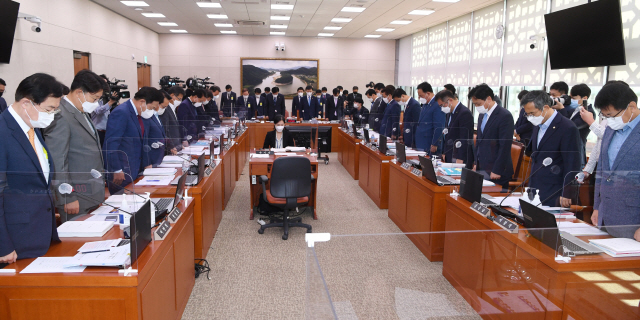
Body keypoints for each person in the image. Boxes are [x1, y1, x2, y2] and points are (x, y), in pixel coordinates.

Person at [0, 73, 63, 263]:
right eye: (49, 109)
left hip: (40, 234)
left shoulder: (32, 127)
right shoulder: (3, 132)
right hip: (14, 243)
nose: (51, 115)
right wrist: (3, 245)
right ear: (26, 103)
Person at [43, 70, 105, 222]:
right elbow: (58, 159)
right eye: (94, 98)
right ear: (79, 93)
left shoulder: (81, 110)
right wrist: (67, 197)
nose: (96, 103)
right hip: (76, 196)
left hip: (92, 191)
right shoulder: (60, 114)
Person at [591, 82, 640, 239]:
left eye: (611, 115)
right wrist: (597, 207)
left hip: (633, 221)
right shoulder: (611, 129)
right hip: (605, 217)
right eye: (604, 116)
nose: (609, 120)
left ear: (631, 107)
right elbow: (602, 170)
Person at [522, 91, 581, 207]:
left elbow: (573, 163)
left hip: (555, 190)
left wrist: (567, 192)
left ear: (545, 108)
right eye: (527, 114)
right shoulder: (537, 124)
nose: (530, 117)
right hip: (536, 187)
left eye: (532, 113)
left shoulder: (567, 127)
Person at [103, 87, 160, 195]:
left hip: (133, 169)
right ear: (142, 102)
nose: (151, 111)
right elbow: (110, 144)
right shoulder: (121, 112)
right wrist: (116, 170)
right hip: (121, 172)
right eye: (151, 107)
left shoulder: (136, 114)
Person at [470, 84, 514, 189]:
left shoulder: (504, 116)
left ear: (488, 99)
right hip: (483, 167)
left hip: (497, 170)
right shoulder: (482, 114)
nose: (477, 107)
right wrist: (477, 162)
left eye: (478, 103)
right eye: (474, 104)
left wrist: (497, 169)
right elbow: (479, 141)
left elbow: (505, 146)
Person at [435, 90, 473, 164]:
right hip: (449, 154)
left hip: (459, 157)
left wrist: (460, 158)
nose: (442, 108)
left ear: (450, 100)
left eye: (442, 105)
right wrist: (444, 152)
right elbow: (448, 135)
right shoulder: (449, 112)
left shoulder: (464, 113)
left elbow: (465, 138)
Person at [569, 84, 596, 166]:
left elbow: (572, 127)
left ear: (584, 98)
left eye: (574, 98)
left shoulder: (589, 113)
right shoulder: (573, 109)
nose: (571, 100)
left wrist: (562, 109)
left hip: (577, 152)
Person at [415, 82, 446, 153]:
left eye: (421, 96)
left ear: (428, 94)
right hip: (421, 142)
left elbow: (439, 126)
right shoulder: (425, 104)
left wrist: (435, 143)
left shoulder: (437, 104)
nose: (419, 98)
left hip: (429, 143)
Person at [142, 90, 169, 167]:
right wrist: (146, 162)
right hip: (151, 157)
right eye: (163, 106)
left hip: (159, 156)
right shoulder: (146, 116)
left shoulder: (155, 115)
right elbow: (144, 140)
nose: (164, 109)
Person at [91, 75, 118, 146]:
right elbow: (98, 111)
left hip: (107, 131)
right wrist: (110, 102)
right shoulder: (94, 98)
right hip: (97, 131)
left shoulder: (107, 98)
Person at [160, 86, 186, 155]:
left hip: (176, 147)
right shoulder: (165, 109)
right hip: (170, 148)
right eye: (179, 99)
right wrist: (171, 146)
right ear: (172, 95)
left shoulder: (173, 108)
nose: (180, 101)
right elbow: (166, 130)